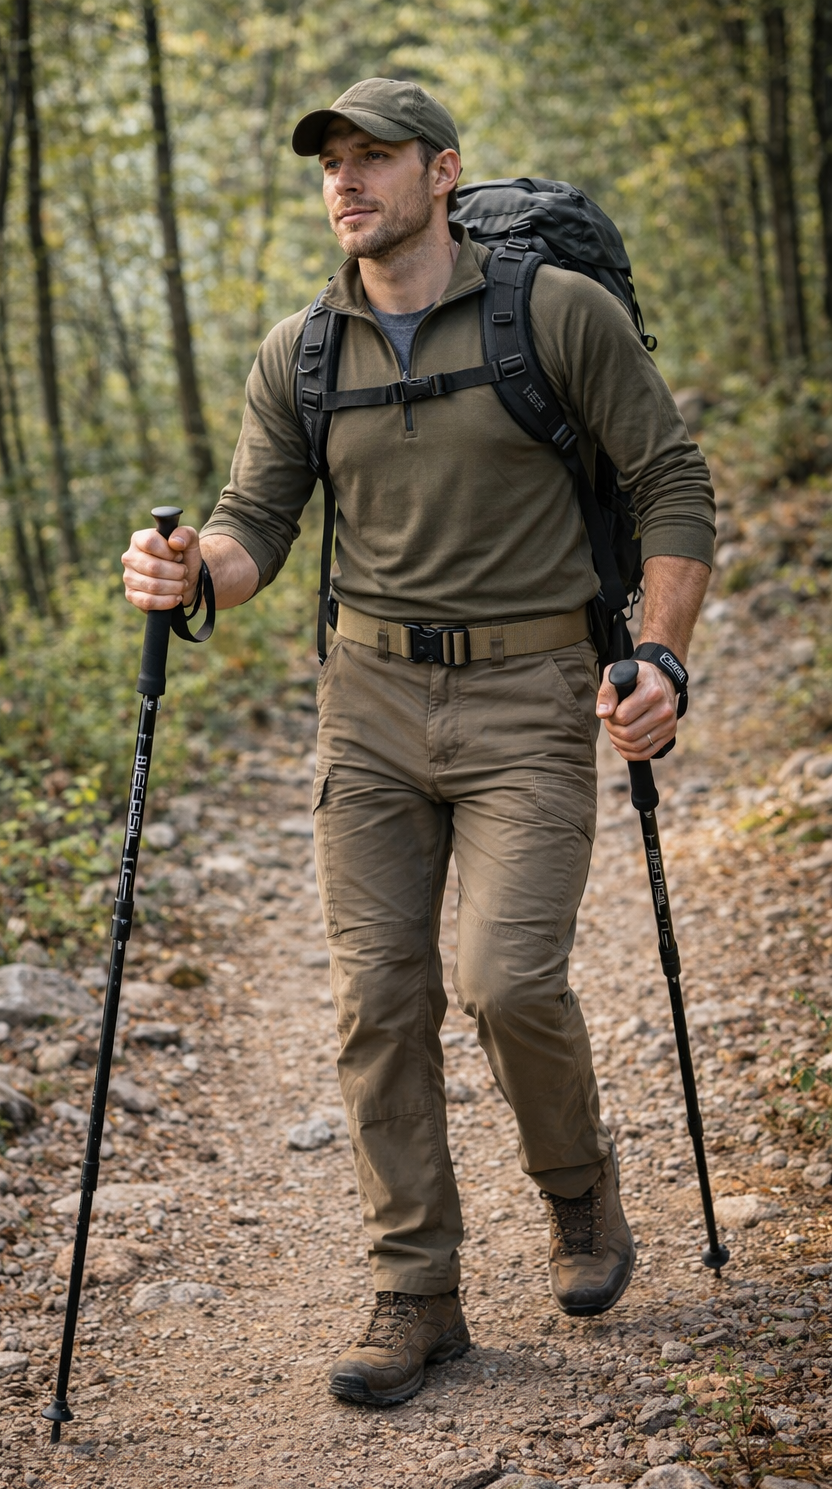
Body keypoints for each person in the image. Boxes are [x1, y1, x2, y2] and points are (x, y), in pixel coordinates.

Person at [122, 78, 715, 1408]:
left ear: (443, 172)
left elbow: (671, 483)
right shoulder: (302, 354)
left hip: (529, 698)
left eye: (375, 158)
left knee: (505, 980)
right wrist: (187, 574)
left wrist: (662, 656)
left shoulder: (557, 316)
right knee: (378, 1003)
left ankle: (580, 1197)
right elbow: (253, 528)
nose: (347, 181)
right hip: (371, 704)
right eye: (331, 162)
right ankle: (416, 1294)